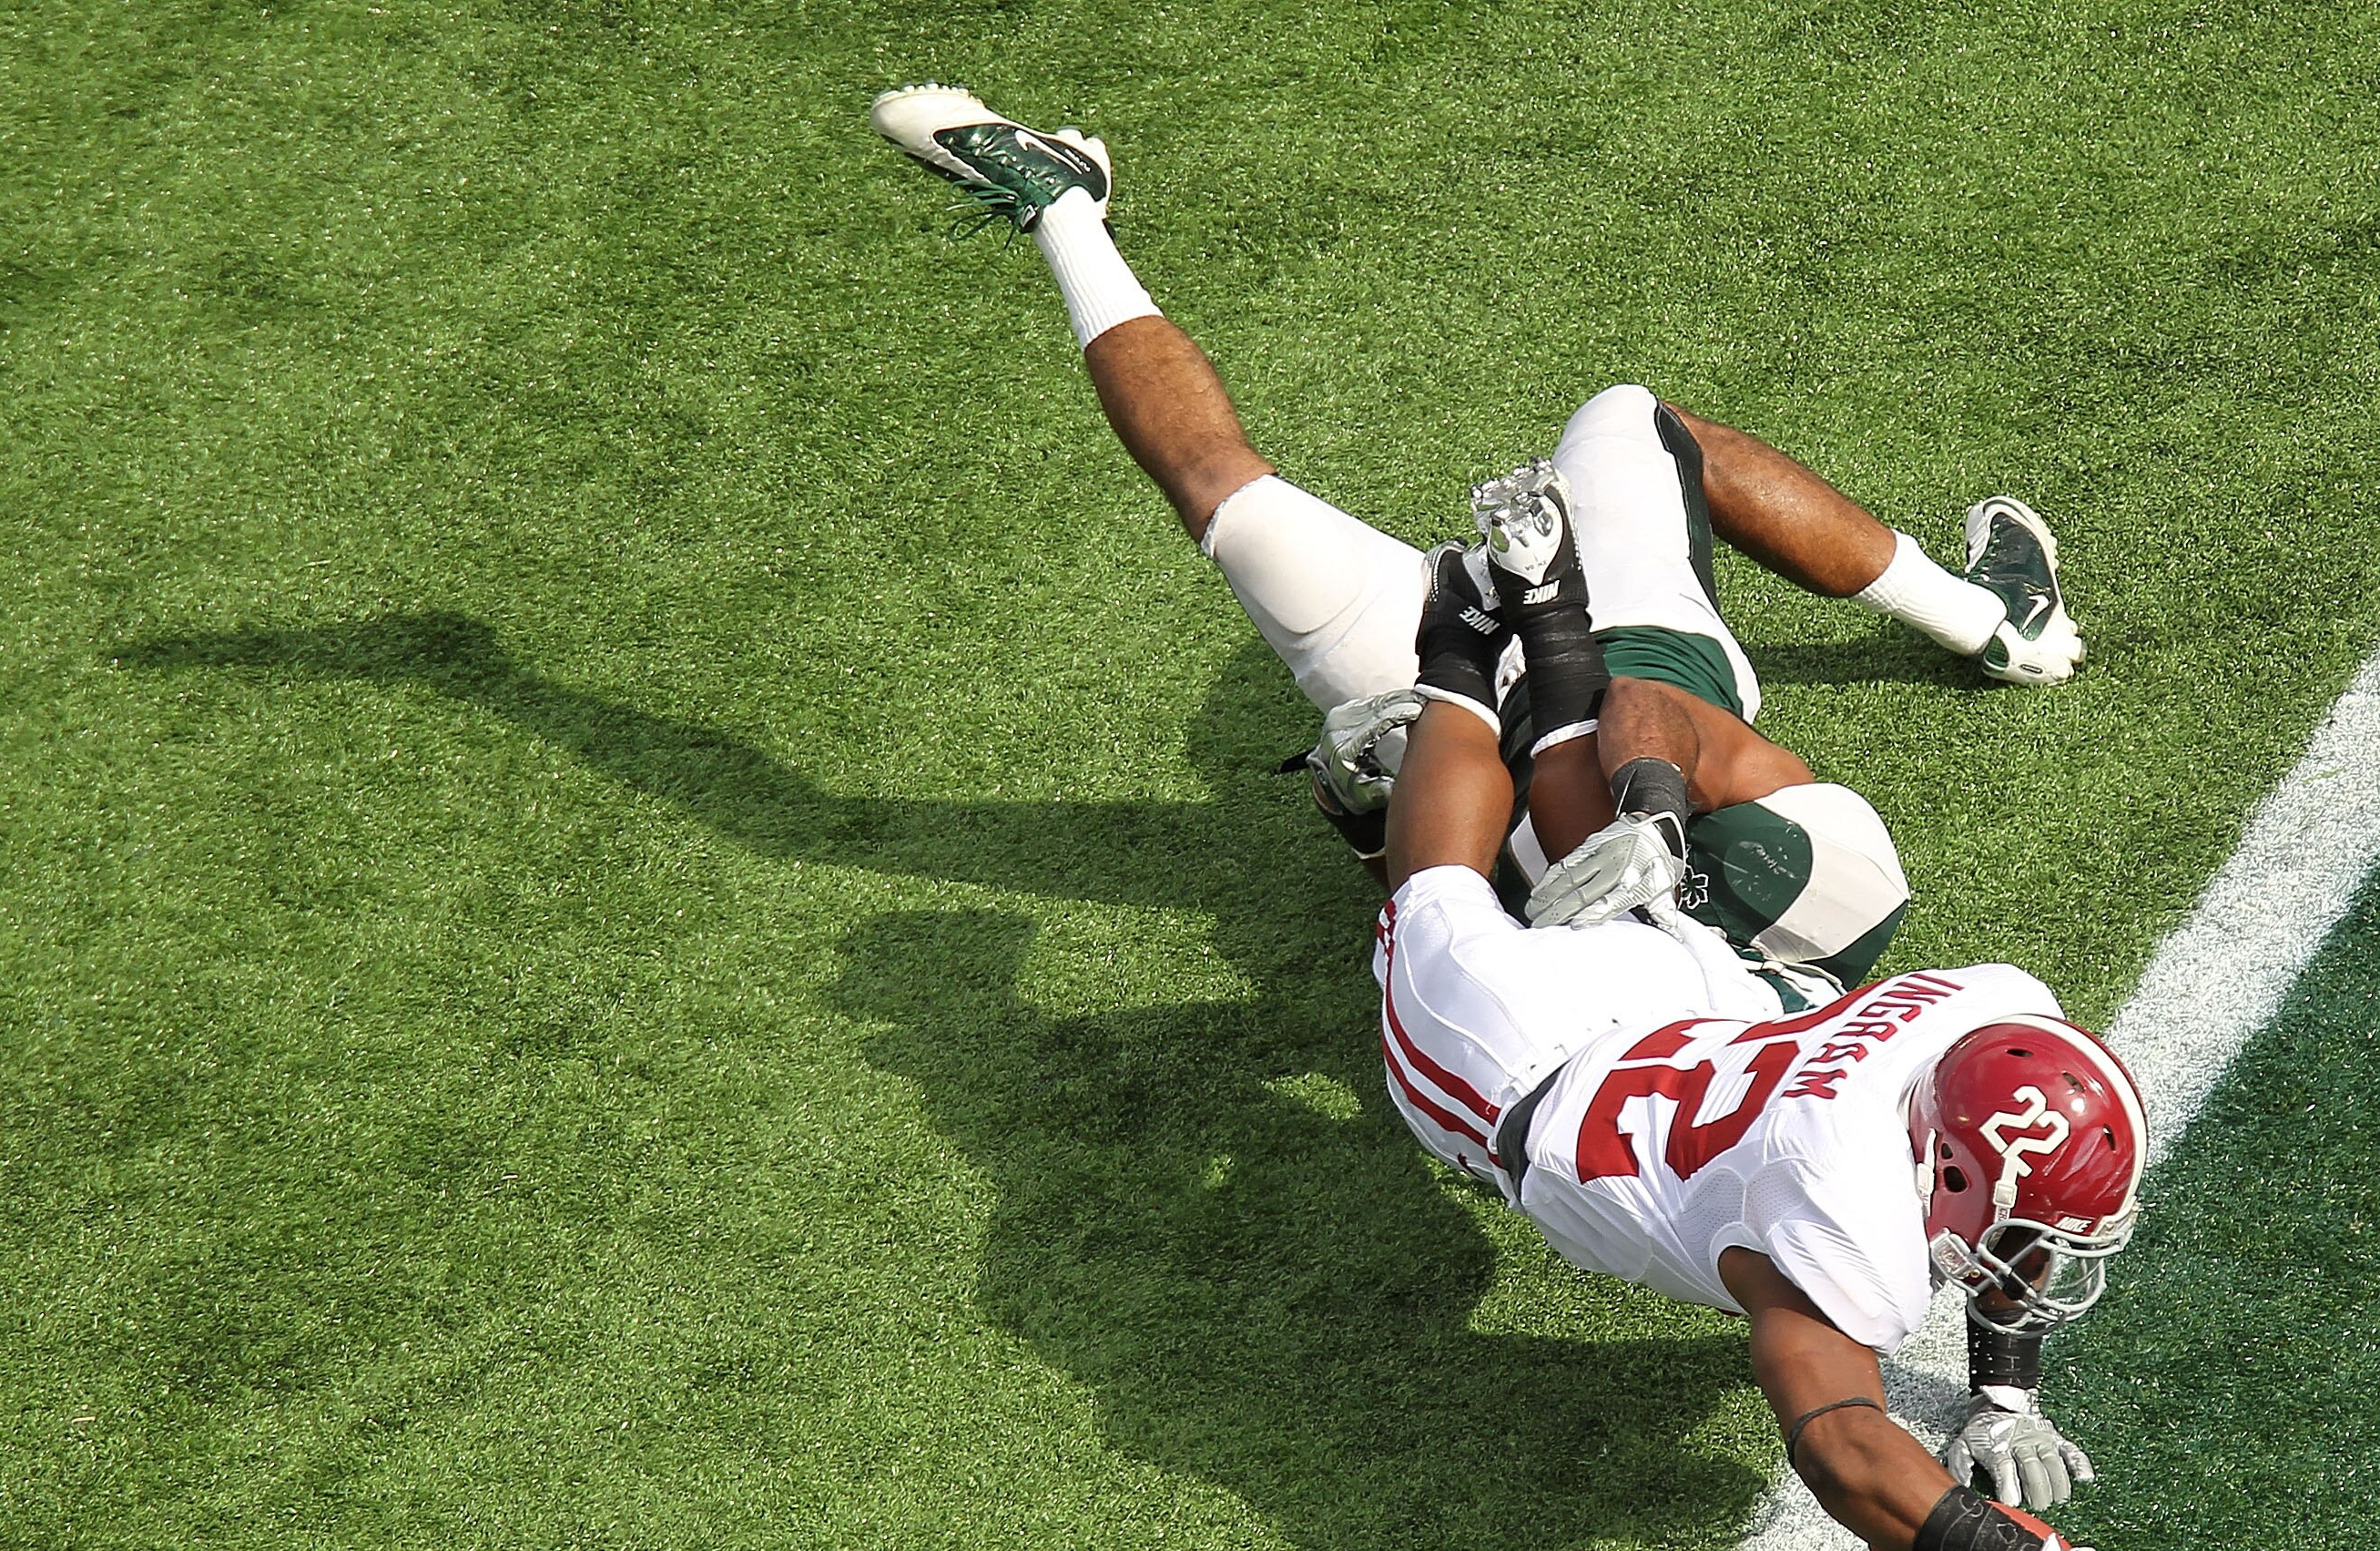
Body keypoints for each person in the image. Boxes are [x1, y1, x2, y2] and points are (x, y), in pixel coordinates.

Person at [872, 85, 2110, 1516]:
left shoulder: (1696, 992)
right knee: (1613, 428)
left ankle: (1384, 766)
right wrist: (1637, 775)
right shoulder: (1816, 866)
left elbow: (1465, 915)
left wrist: (1457, 702)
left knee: (1292, 591)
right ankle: (1989, 617)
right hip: (1608, 660)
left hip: (1493, 759)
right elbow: (1644, 731)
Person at [869, 86, 2086, 1003]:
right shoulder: (1836, 889)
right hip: (1627, 636)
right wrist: (1649, 806)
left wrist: (1361, 818)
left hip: (1460, 703)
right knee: (1628, 418)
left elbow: (1431, 919)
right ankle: (1992, 622)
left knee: (1230, 510)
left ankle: (1062, 204)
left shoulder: (1593, 1026)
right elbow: (1657, 710)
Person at [1365, 473, 2144, 1551]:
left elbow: (2009, 1189)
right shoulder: (1837, 1220)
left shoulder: (1986, 1016)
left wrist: (2005, 1394)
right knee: (1430, 894)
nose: (2038, 1251)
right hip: (1530, 1065)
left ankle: (1544, 617)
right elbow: (1840, 1443)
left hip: (1695, 1006)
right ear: (1938, 1170)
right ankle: (1457, 641)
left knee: (1602, 872)